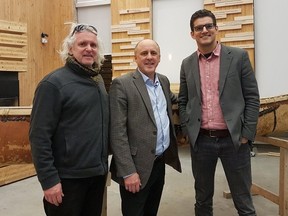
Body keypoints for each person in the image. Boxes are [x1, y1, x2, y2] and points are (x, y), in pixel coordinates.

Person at [178, 9, 260, 216]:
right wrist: (189, 130)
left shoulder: (239, 57)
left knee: (243, 200)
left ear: (216, 28)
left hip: (234, 141)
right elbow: (184, 100)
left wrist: (247, 134)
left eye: (208, 26)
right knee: (202, 199)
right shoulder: (187, 63)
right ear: (192, 34)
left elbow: (252, 97)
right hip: (202, 141)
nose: (204, 30)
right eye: (199, 28)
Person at [29, 23, 109, 216]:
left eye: (93, 45)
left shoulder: (97, 82)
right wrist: (49, 180)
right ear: (70, 49)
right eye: (82, 44)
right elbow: (39, 136)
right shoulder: (53, 84)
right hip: (66, 181)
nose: (89, 48)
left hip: (96, 176)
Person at [109, 39, 182, 216]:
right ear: (135, 58)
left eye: (153, 53)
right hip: (136, 166)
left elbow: (175, 99)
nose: (149, 57)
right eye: (144, 53)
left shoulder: (163, 81)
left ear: (159, 58)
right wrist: (128, 172)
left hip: (159, 162)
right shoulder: (122, 84)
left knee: (151, 210)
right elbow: (117, 133)